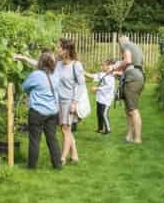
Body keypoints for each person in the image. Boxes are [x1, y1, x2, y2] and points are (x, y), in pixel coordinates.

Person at [16, 49, 61, 170]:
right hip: (52, 112)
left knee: (35, 140)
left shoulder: (35, 75)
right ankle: (57, 165)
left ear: (40, 62)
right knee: (52, 139)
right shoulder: (56, 75)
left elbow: (24, 87)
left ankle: (32, 167)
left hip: (37, 112)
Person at [52, 37, 86, 165]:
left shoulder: (76, 65)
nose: (57, 49)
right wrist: (23, 58)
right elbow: (40, 63)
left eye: (59, 47)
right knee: (64, 129)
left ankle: (62, 158)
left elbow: (82, 85)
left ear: (66, 50)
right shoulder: (58, 63)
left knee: (66, 129)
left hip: (68, 102)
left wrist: (75, 103)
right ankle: (75, 155)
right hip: (58, 101)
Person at [110, 33, 145, 144]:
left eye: (119, 42)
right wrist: (120, 73)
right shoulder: (136, 47)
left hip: (133, 79)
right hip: (138, 77)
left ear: (122, 39)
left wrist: (115, 68)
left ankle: (138, 138)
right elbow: (135, 64)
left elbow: (128, 61)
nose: (119, 45)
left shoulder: (125, 45)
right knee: (128, 110)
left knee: (133, 110)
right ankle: (129, 136)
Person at [91, 59, 119, 134]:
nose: (102, 67)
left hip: (107, 99)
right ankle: (100, 128)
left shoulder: (111, 76)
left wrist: (97, 88)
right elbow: (92, 76)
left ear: (109, 66)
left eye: (103, 65)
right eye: (102, 65)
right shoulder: (102, 74)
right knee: (99, 113)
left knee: (104, 114)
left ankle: (108, 129)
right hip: (100, 98)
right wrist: (82, 72)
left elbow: (108, 87)